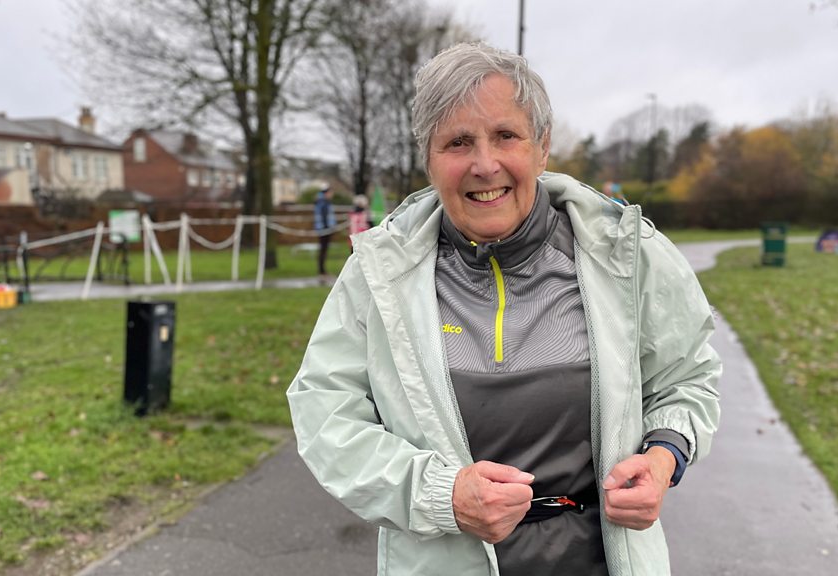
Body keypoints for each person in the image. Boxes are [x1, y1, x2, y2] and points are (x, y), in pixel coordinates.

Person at [287, 42, 721, 576]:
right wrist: (442, 495)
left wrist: (662, 458)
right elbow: (324, 411)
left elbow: (687, 377)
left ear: (541, 146)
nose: (484, 164)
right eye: (458, 142)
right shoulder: (379, 274)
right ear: (428, 157)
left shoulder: (625, 253)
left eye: (506, 136)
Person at [313, 185, 336, 277]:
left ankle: (322, 270)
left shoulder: (322, 201)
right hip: (324, 230)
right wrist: (328, 228)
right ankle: (322, 271)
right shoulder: (324, 202)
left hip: (323, 229)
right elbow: (324, 217)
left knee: (323, 250)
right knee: (323, 250)